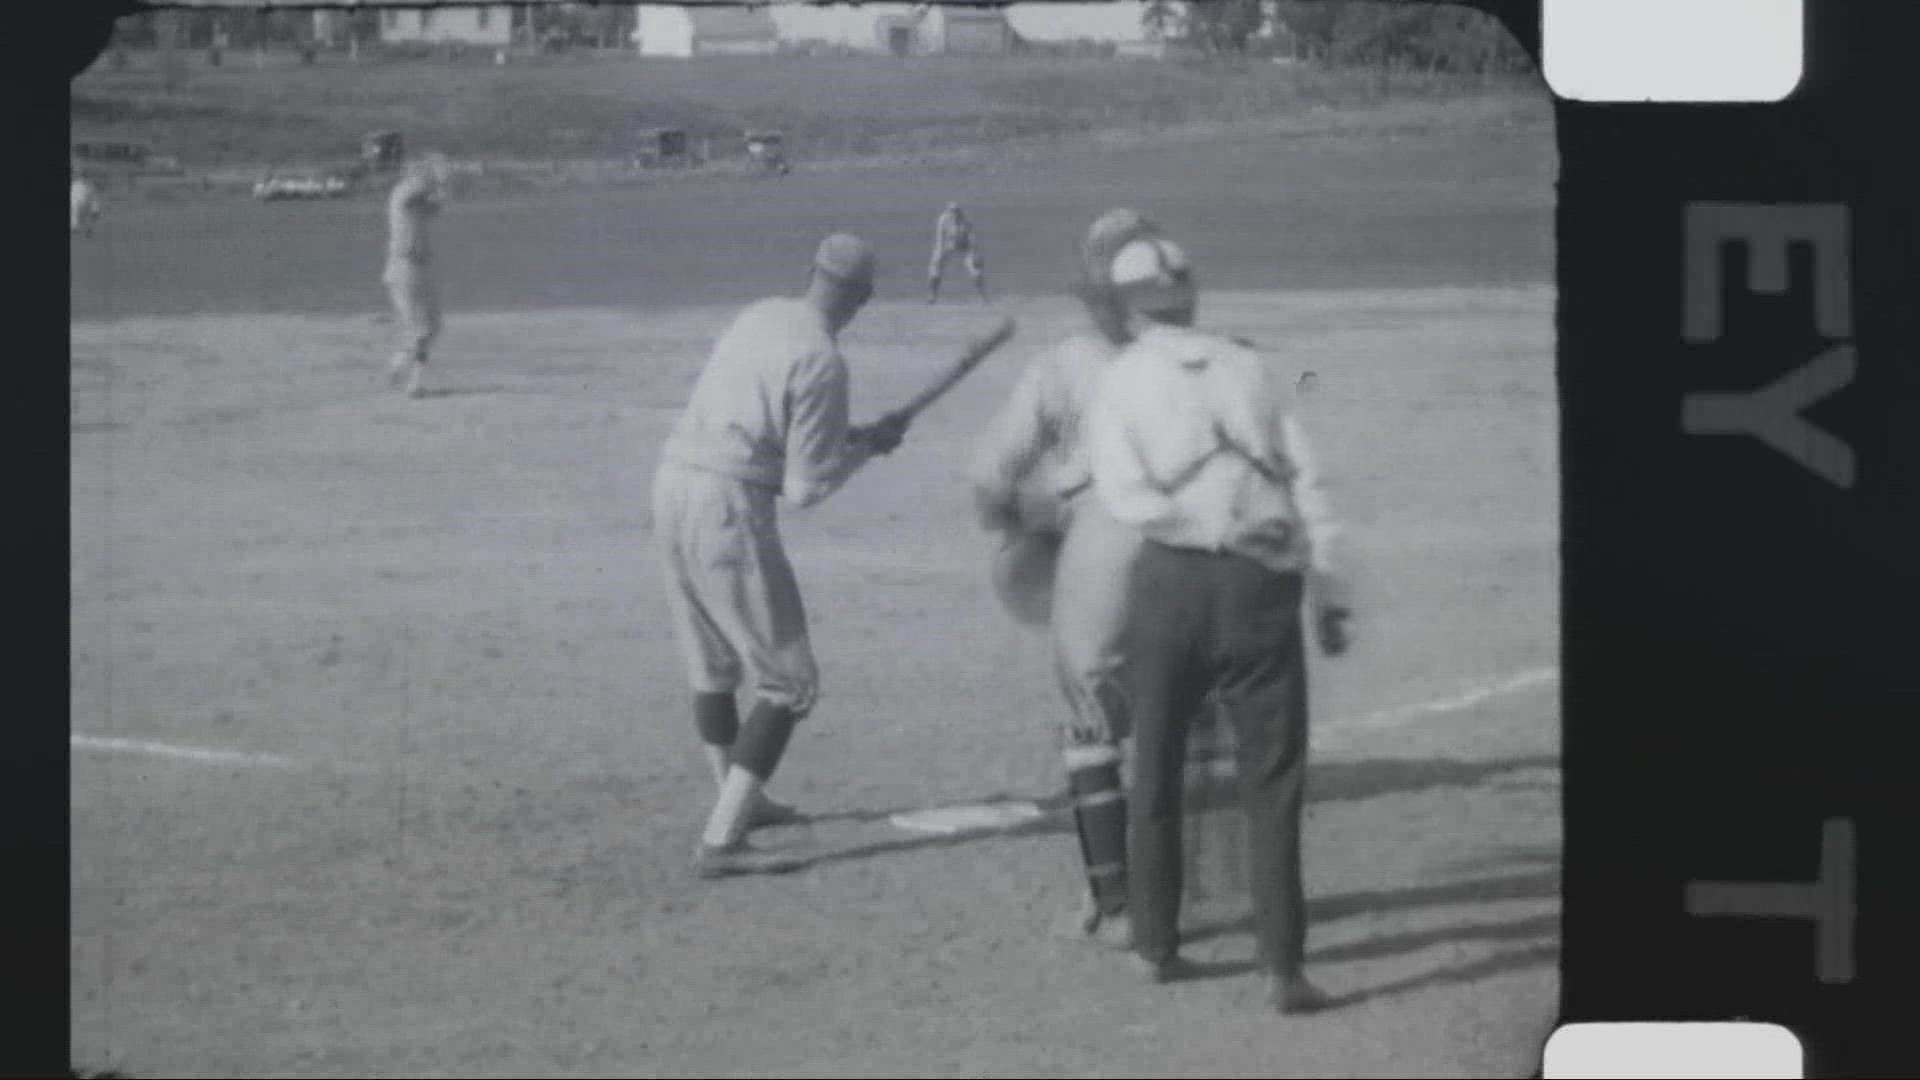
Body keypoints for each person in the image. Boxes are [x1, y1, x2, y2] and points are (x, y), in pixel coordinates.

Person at [1083, 234, 1354, 1013]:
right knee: (1271, 779)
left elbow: (1124, 495)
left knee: (1157, 764)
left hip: (1170, 583)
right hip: (1260, 582)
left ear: (1128, 306)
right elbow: (1308, 479)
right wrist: (1327, 590)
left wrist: (1198, 527)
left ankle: (1155, 946)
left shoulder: (1121, 380)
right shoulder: (1248, 367)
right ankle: (1283, 967)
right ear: (1191, 293)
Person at [652, 233, 911, 878]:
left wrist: (853, 436)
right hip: (727, 508)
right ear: (863, 299)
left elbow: (767, 422)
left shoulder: (760, 314)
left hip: (671, 485)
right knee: (790, 681)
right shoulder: (823, 360)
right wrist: (867, 449)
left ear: (811, 273)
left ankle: (740, 797)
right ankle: (723, 840)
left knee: (711, 664)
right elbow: (805, 487)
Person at [968, 208, 1164, 948]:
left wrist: (1026, 520)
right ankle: (1155, 891)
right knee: (1165, 726)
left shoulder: (1057, 368)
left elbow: (990, 483)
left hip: (1100, 558)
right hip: (1186, 561)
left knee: (1091, 729)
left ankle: (1113, 899)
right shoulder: (1195, 360)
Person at [382, 154, 450, 399]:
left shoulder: (418, 203)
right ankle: (400, 365)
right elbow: (418, 191)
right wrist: (435, 175)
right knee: (417, 328)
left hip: (420, 267)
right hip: (403, 268)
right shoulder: (403, 193)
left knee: (432, 326)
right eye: (420, 171)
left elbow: (437, 206)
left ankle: (415, 381)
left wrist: (441, 186)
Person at [928, 201, 987, 304]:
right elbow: (940, 239)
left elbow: (972, 240)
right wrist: (938, 255)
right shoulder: (943, 220)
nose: (954, 214)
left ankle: (983, 298)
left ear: (960, 212)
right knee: (935, 267)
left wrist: (974, 255)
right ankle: (933, 296)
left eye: (956, 211)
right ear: (947, 212)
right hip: (949, 245)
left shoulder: (966, 222)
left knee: (976, 270)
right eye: (951, 211)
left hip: (965, 247)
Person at [71, 170, 102, 238]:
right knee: (76, 213)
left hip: (85, 205)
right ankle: (76, 227)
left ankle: (87, 230)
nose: (83, 178)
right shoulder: (75, 184)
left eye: (84, 177)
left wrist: (96, 208)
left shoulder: (89, 186)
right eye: (82, 176)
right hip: (78, 204)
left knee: (85, 218)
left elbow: (94, 198)